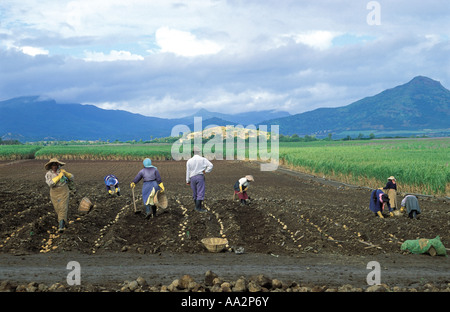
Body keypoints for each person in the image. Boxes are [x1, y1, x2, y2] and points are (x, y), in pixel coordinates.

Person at [44, 158, 74, 232]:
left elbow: (72, 178)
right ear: (51, 166)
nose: (54, 166)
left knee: (62, 207)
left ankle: (61, 226)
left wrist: (66, 174)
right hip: (54, 192)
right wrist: (58, 177)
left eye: (56, 165)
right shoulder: (48, 174)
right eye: (53, 165)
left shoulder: (62, 172)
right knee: (57, 208)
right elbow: (50, 184)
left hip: (63, 190)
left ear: (58, 165)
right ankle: (63, 222)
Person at [186, 147, 213, 212]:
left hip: (192, 178)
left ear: (192, 152)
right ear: (199, 152)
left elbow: (188, 171)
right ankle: (199, 208)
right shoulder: (203, 159)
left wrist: (187, 180)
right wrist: (206, 171)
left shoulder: (189, 161)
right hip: (200, 177)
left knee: (195, 193)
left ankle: (196, 207)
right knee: (200, 192)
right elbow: (211, 165)